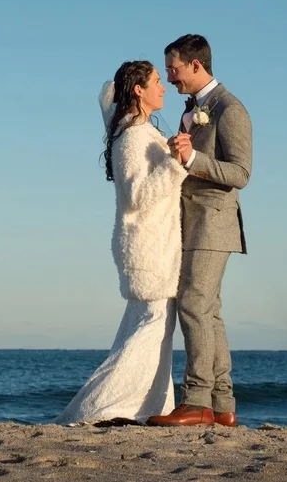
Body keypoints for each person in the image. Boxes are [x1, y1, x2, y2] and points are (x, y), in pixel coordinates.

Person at [58, 60, 190, 425]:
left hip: (154, 243)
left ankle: (150, 409)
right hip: (147, 247)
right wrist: (176, 164)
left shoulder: (138, 130)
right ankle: (100, 408)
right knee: (153, 328)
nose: (163, 87)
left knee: (147, 329)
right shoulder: (133, 136)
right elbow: (136, 194)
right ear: (138, 90)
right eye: (157, 81)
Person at [146, 34, 252, 428]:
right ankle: (223, 406)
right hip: (191, 224)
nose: (170, 77)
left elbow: (241, 173)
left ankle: (196, 401)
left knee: (192, 304)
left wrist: (193, 158)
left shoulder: (230, 109)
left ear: (195, 65)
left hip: (214, 222)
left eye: (173, 69)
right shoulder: (193, 109)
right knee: (209, 312)